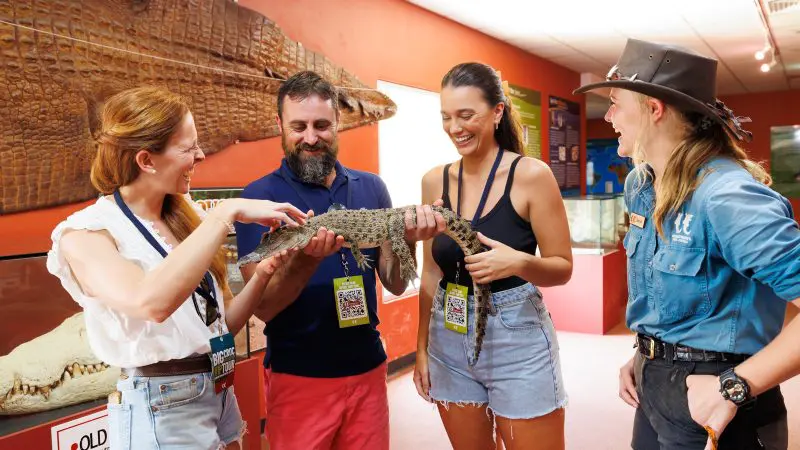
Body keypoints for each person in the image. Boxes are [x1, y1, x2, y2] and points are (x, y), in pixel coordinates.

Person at [46, 86, 308, 450]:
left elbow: (222, 324)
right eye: (188, 148)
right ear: (146, 160)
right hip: (162, 406)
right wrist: (223, 213)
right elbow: (149, 302)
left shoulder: (184, 218)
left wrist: (264, 273)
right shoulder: (85, 233)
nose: (199, 155)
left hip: (215, 391)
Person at [574, 38, 800, 450]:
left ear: (653, 109)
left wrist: (733, 388)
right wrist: (646, 354)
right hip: (655, 390)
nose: (608, 116)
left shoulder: (726, 197)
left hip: (720, 400)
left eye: (615, 102)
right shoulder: (641, 185)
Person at [234, 70, 444, 450]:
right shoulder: (260, 198)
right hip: (298, 377)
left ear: (338, 124)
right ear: (280, 125)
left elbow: (394, 282)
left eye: (321, 125)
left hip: (367, 369)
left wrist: (408, 241)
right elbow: (263, 307)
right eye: (299, 126)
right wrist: (305, 261)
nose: (310, 137)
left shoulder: (372, 186)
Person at [413, 62, 574, 450]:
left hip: (516, 335)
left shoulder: (531, 175)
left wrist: (518, 262)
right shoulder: (435, 180)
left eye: (466, 115)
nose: (455, 128)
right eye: (447, 117)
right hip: (448, 334)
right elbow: (432, 272)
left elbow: (562, 267)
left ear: (497, 111)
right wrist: (421, 348)